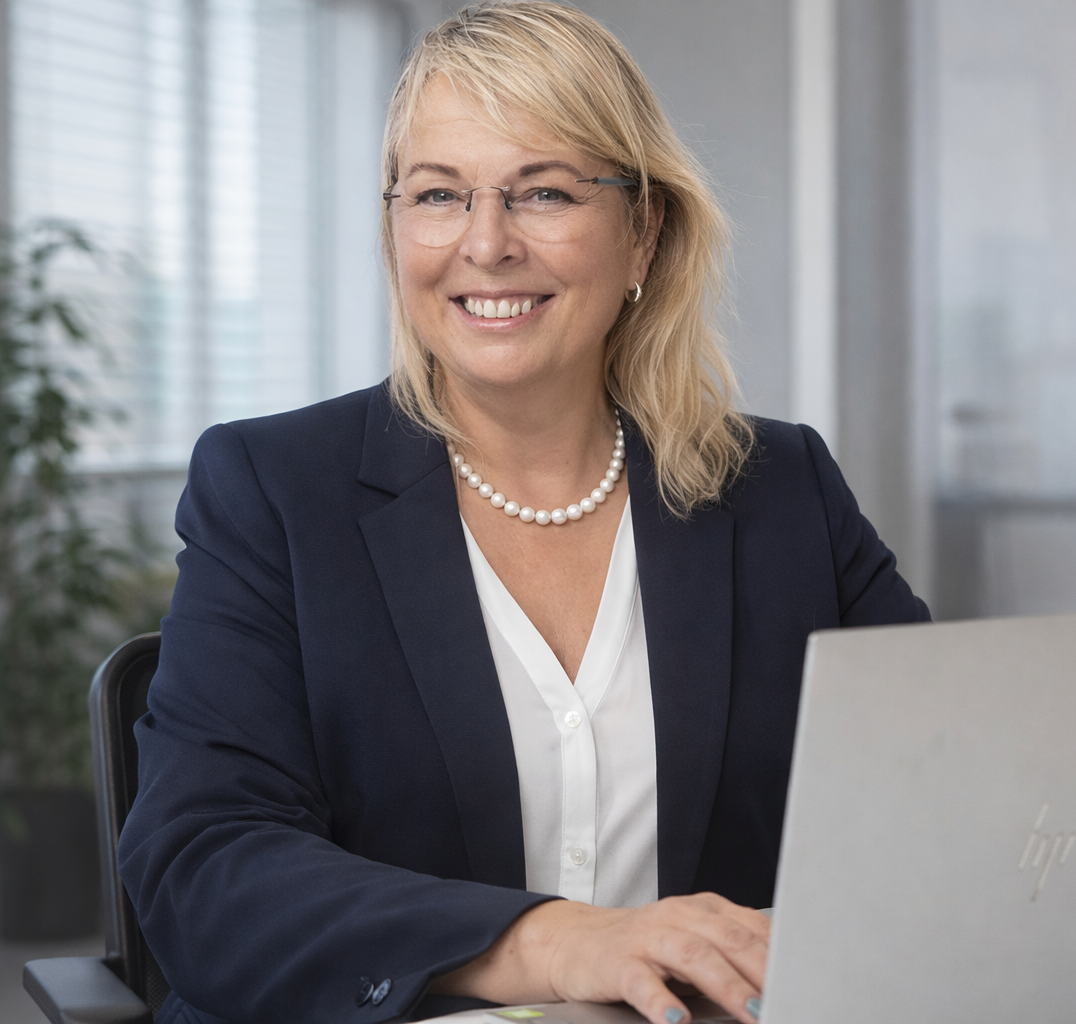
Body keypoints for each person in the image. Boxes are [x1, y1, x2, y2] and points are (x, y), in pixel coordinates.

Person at [117, 5, 928, 1024]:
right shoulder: (272, 489)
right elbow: (207, 866)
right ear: (394, 230)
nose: (486, 243)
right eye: (439, 194)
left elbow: (941, 795)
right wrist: (558, 941)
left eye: (543, 191)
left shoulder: (782, 489)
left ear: (645, 232)